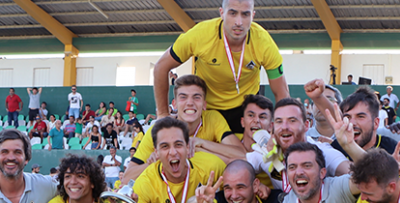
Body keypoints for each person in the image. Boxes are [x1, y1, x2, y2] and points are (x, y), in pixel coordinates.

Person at [153, 0, 289, 135]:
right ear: (222, 13)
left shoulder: (264, 43)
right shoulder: (200, 35)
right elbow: (160, 67)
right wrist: (163, 114)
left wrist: (282, 126)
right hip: (208, 108)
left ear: (252, 16)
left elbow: (281, 92)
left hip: (245, 108)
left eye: (245, 14)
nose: (239, 22)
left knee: (249, 155)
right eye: (233, 13)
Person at [126, 75, 246, 182]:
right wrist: (156, 162)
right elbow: (126, 179)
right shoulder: (159, 130)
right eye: (183, 97)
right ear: (175, 104)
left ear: (204, 104)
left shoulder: (212, 118)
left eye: (196, 97)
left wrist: (201, 144)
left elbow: (243, 156)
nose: (190, 103)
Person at [305, 82, 400, 173]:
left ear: (376, 123)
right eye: (347, 117)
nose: (352, 123)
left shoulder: (396, 152)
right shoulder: (334, 149)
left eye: (360, 116)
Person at [246, 97, 350, 192]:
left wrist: (350, 145)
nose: (284, 127)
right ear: (273, 126)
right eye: (279, 121)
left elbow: (352, 174)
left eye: (292, 121)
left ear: (306, 125)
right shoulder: (267, 152)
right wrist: (256, 186)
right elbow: (236, 170)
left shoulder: (322, 151)